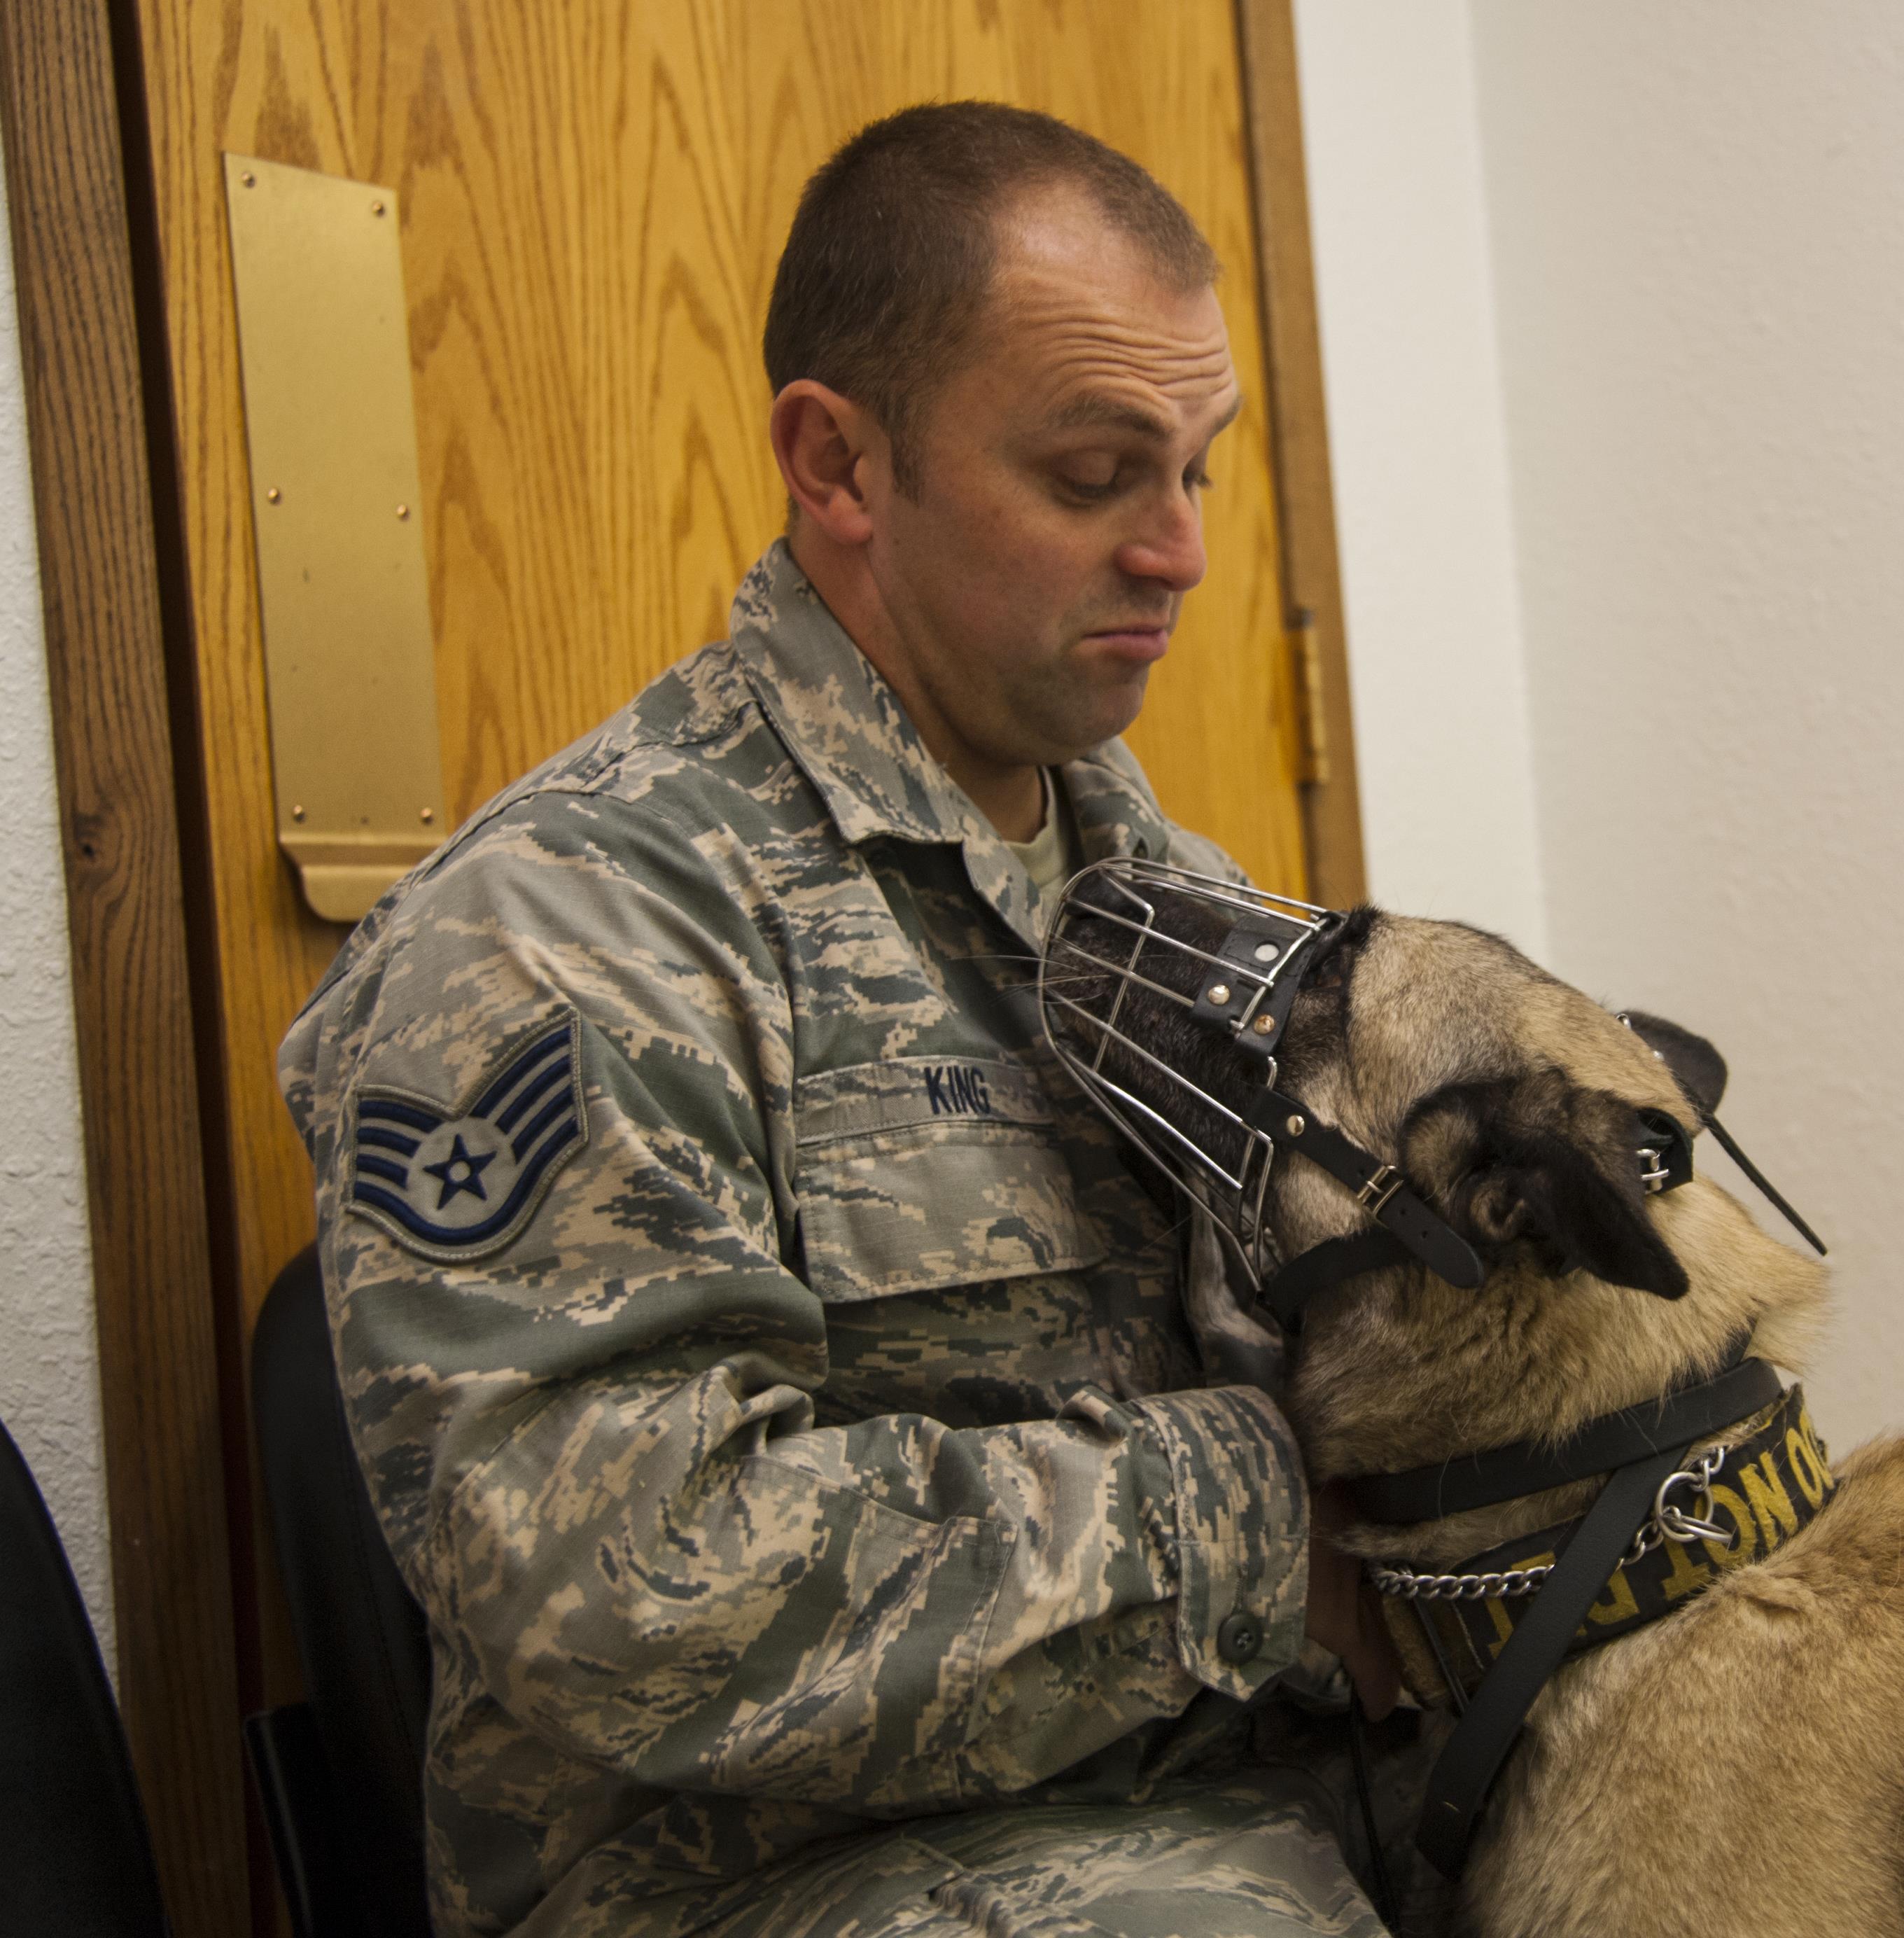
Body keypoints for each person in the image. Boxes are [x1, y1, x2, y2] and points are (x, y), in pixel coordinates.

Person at [280, 102, 1417, 1938]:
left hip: (1228, 1785)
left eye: (1198, 468)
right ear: (840, 464)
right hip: (765, 1878)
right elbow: (624, 1585)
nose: (1183, 551)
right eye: (1095, 472)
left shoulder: (1189, 909)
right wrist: (1267, 1526)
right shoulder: (571, 928)